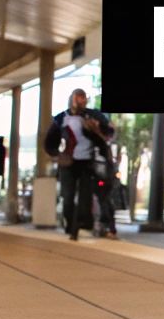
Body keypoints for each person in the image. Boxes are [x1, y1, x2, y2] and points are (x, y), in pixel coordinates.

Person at [44, 89, 113, 241]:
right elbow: (49, 143)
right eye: (77, 98)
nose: (80, 101)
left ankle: (78, 227)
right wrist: (58, 155)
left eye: (83, 98)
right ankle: (69, 224)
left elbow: (109, 132)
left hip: (87, 163)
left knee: (84, 198)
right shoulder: (61, 118)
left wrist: (96, 129)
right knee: (68, 197)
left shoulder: (93, 115)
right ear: (71, 99)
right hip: (68, 163)